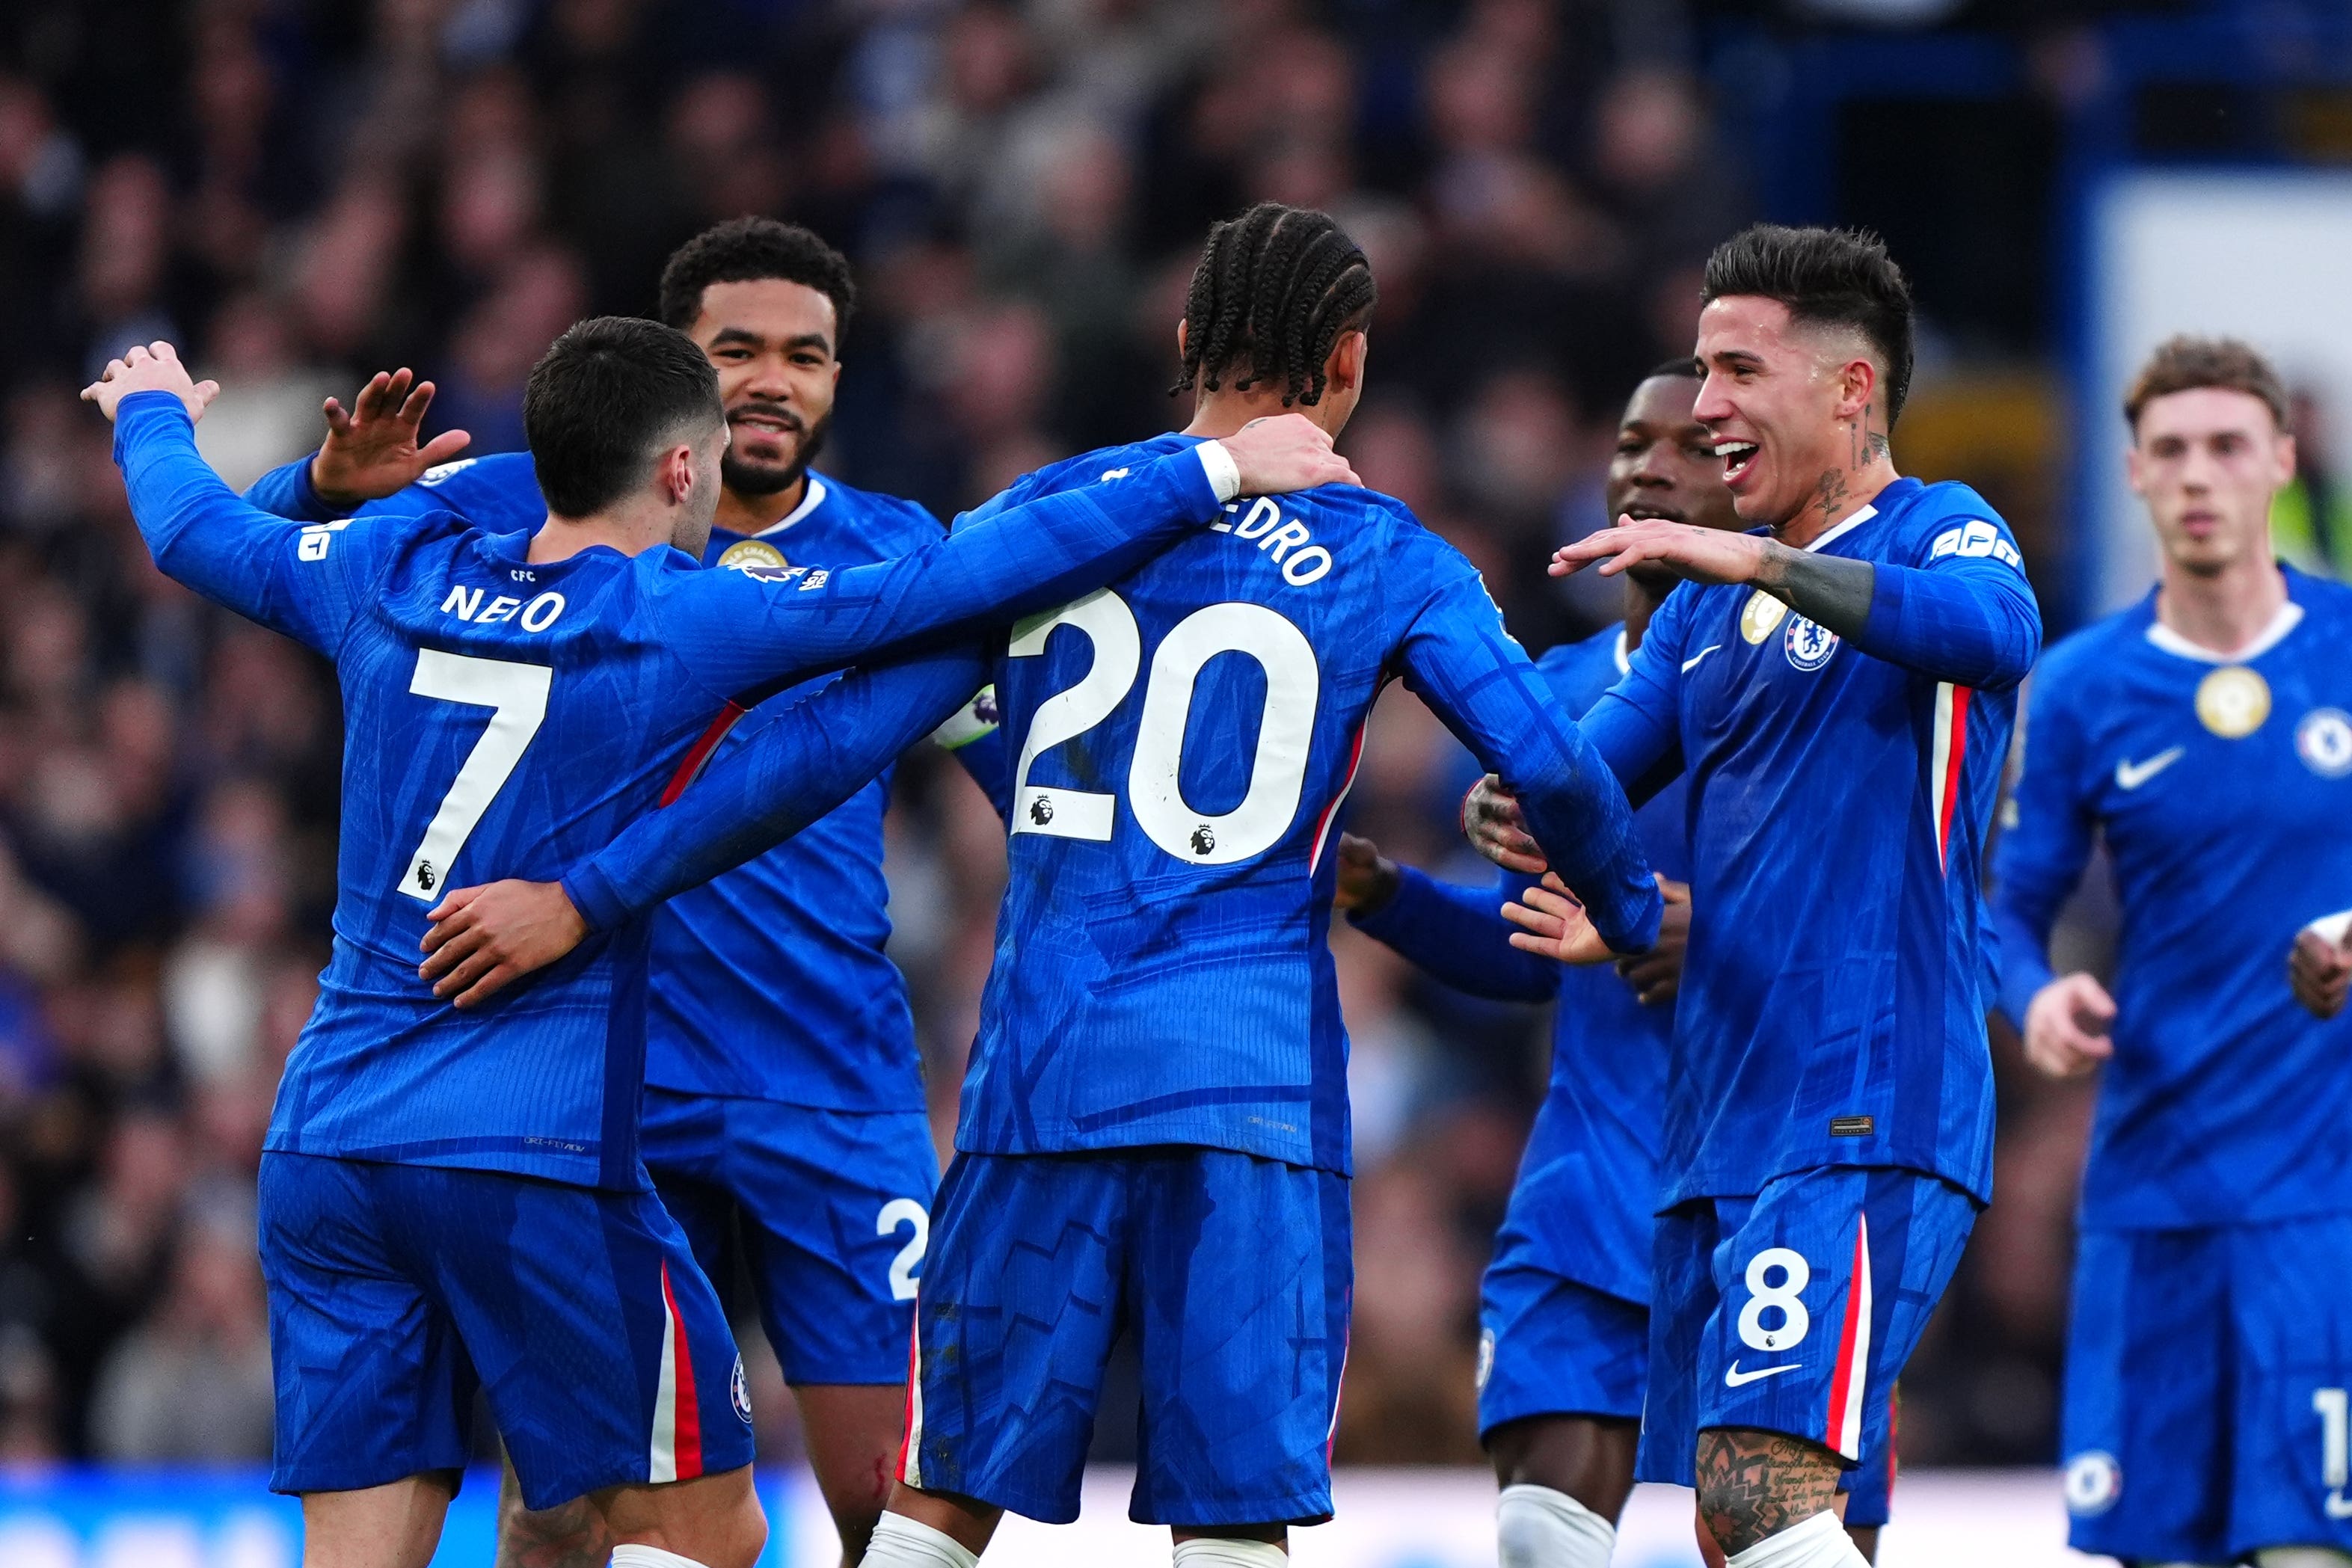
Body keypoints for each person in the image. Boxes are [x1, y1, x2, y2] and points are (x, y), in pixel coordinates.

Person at [408, 201, 1665, 1568]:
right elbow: (1554, 771)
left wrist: (591, 891)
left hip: (1038, 1074)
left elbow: (827, 746)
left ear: (1182, 340)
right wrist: (1626, 914)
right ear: (1349, 360)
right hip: (1246, 1089)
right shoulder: (1390, 555)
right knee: (1233, 1516)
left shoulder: (1046, 517)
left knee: (939, 1497)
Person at [85, 322, 1351, 1568]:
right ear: (683, 468)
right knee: (710, 1527)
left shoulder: (389, 556)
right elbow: (954, 585)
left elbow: (196, 531)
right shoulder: (678, 618)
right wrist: (1213, 469)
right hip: (527, 1154)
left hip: (327, 1141)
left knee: (360, 1546)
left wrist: (153, 410)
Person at [242, 218, 1008, 1565]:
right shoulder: (529, 500)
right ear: (677, 379)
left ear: (839, 376)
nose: (771, 380)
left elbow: (1018, 767)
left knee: (891, 1492)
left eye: (806, 355)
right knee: (560, 1510)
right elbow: (272, 549)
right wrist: (315, 482)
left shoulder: (896, 553)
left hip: (832, 1086)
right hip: (611, 1092)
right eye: (736, 351)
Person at [1467, 224, 2039, 1568]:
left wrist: (1764, 563)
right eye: (1703, 367)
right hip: (1719, 1122)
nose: (1707, 403)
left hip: (1868, 1095)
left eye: (1737, 371)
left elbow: (1997, 634)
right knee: (1739, 1527)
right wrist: (1501, 764)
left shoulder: (1940, 526)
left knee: (1756, 1493)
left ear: (1849, 388)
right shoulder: (1694, 616)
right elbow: (1583, 780)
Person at [1333, 361, 1892, 1567]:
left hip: (1774, 1171)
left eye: (1689, 447)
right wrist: (1386, 897)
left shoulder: (1818, 681)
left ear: (1749, 480)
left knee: (1770, 1537)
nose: (1648, 466)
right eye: (1632, 442)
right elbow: (1531, 952)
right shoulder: (1552, 694)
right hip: (1588, 1177)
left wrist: (1718, 934)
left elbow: (1902, 917)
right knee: (1542, 1533)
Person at [1992, 336, 2352, 1568]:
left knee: (2306, 1552)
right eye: (2173, 450)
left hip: (2322, 1199)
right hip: (2153, 1189)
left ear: (2281, 462)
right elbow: (2005, 909)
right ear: (2135, 473)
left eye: (2227, 446)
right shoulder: (2081, 686)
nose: (2200, 474)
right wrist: (2034, 996)